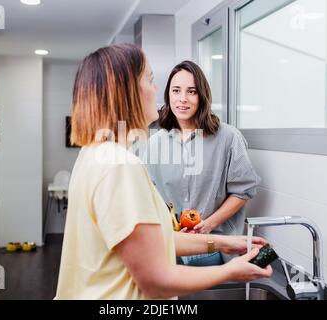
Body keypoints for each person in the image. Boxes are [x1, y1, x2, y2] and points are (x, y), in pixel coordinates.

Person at [54, 44, 271, 300]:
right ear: (126, 91)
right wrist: (230, 272)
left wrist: (223, 242)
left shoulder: (94, 154)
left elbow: (155, 240)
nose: (158, 90)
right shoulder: (121, 166)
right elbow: (156, 281)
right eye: (150, 79)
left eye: (190, 91)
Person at [143, 60, 261, 267]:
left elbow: (243, 191)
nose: (182, 99)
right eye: (176, 90)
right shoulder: (155, 143)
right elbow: (149, 193)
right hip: (172, 246)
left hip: (216, 248)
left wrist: (208, 225)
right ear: (168, 95)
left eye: (192, 92)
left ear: (202, 96)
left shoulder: (228, 137)